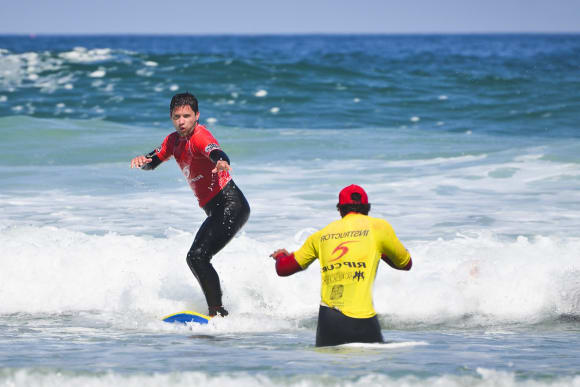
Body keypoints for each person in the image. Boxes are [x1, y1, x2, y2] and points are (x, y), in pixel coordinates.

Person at [130, 92, 250, 317]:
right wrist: (142, 162)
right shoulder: (173, 141)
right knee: (198, 257)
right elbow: (153, 161)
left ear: (197, 116)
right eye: (177, 117)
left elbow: (214, 151)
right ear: (171, 117)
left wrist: (222, 161)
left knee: (197, 256)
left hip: (231, 204)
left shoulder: (200, 136)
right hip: (216, 209)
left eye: (186, 116)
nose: (181, 121)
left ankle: (218, 313)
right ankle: (218, 311)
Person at [269, 184, 411, 347]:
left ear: (340, 209)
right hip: (363, 322)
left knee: (328, 371)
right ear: (367, 208)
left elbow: (284, 269)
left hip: (329, 322)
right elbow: (406, 263)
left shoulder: (321, 235)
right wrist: (379, 250)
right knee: (373, 370)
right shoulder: (379, 227)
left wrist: (280, 256)